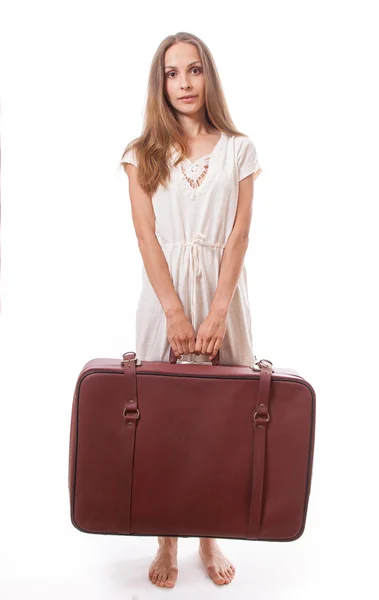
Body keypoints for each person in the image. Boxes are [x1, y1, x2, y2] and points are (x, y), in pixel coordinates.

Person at [120, 31, 262, 589]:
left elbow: (240, 233)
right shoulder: (141, 153)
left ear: (209, 77)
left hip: (224, 295)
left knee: (222, 420)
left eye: (194, 70)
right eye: (173, 73)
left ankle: (209, 534)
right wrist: (176, 313)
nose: (184, 83)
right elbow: (146, 236)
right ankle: (166, 539)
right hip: (164, 298)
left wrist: (218, 309)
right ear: (161, 83)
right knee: (162, 419)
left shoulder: (239, 148)